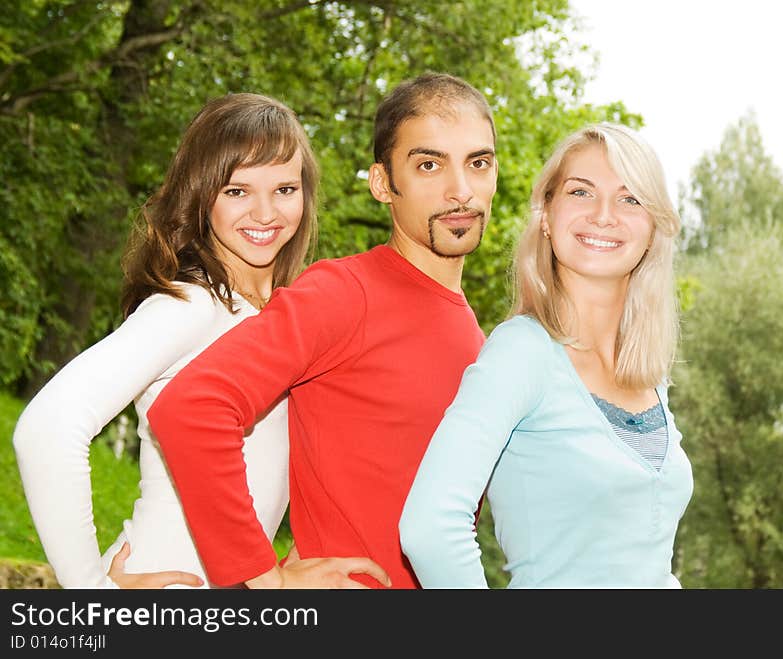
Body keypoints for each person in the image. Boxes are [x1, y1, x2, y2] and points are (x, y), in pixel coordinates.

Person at [13, 92, 385, 589]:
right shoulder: (191, 304)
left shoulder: (283, 318)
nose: (265, 212)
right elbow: (48, 427)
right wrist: (90, 593)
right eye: (237, 191)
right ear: (201, 193)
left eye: (284, 189)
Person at [147, 72, 498, 589]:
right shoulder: (345, 291)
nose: (461, 191)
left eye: (478, 163)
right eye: (429, 164)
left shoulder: (480, 340)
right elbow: (191, 408)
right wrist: (262, 577)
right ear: (383, 184)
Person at [399, 123, 694, 588]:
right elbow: (429, 528)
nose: (604, 215)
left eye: (630, 198)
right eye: (581, 192)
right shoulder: (522, 352)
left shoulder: (646, 372)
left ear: (653, 226)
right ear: (545, 215)